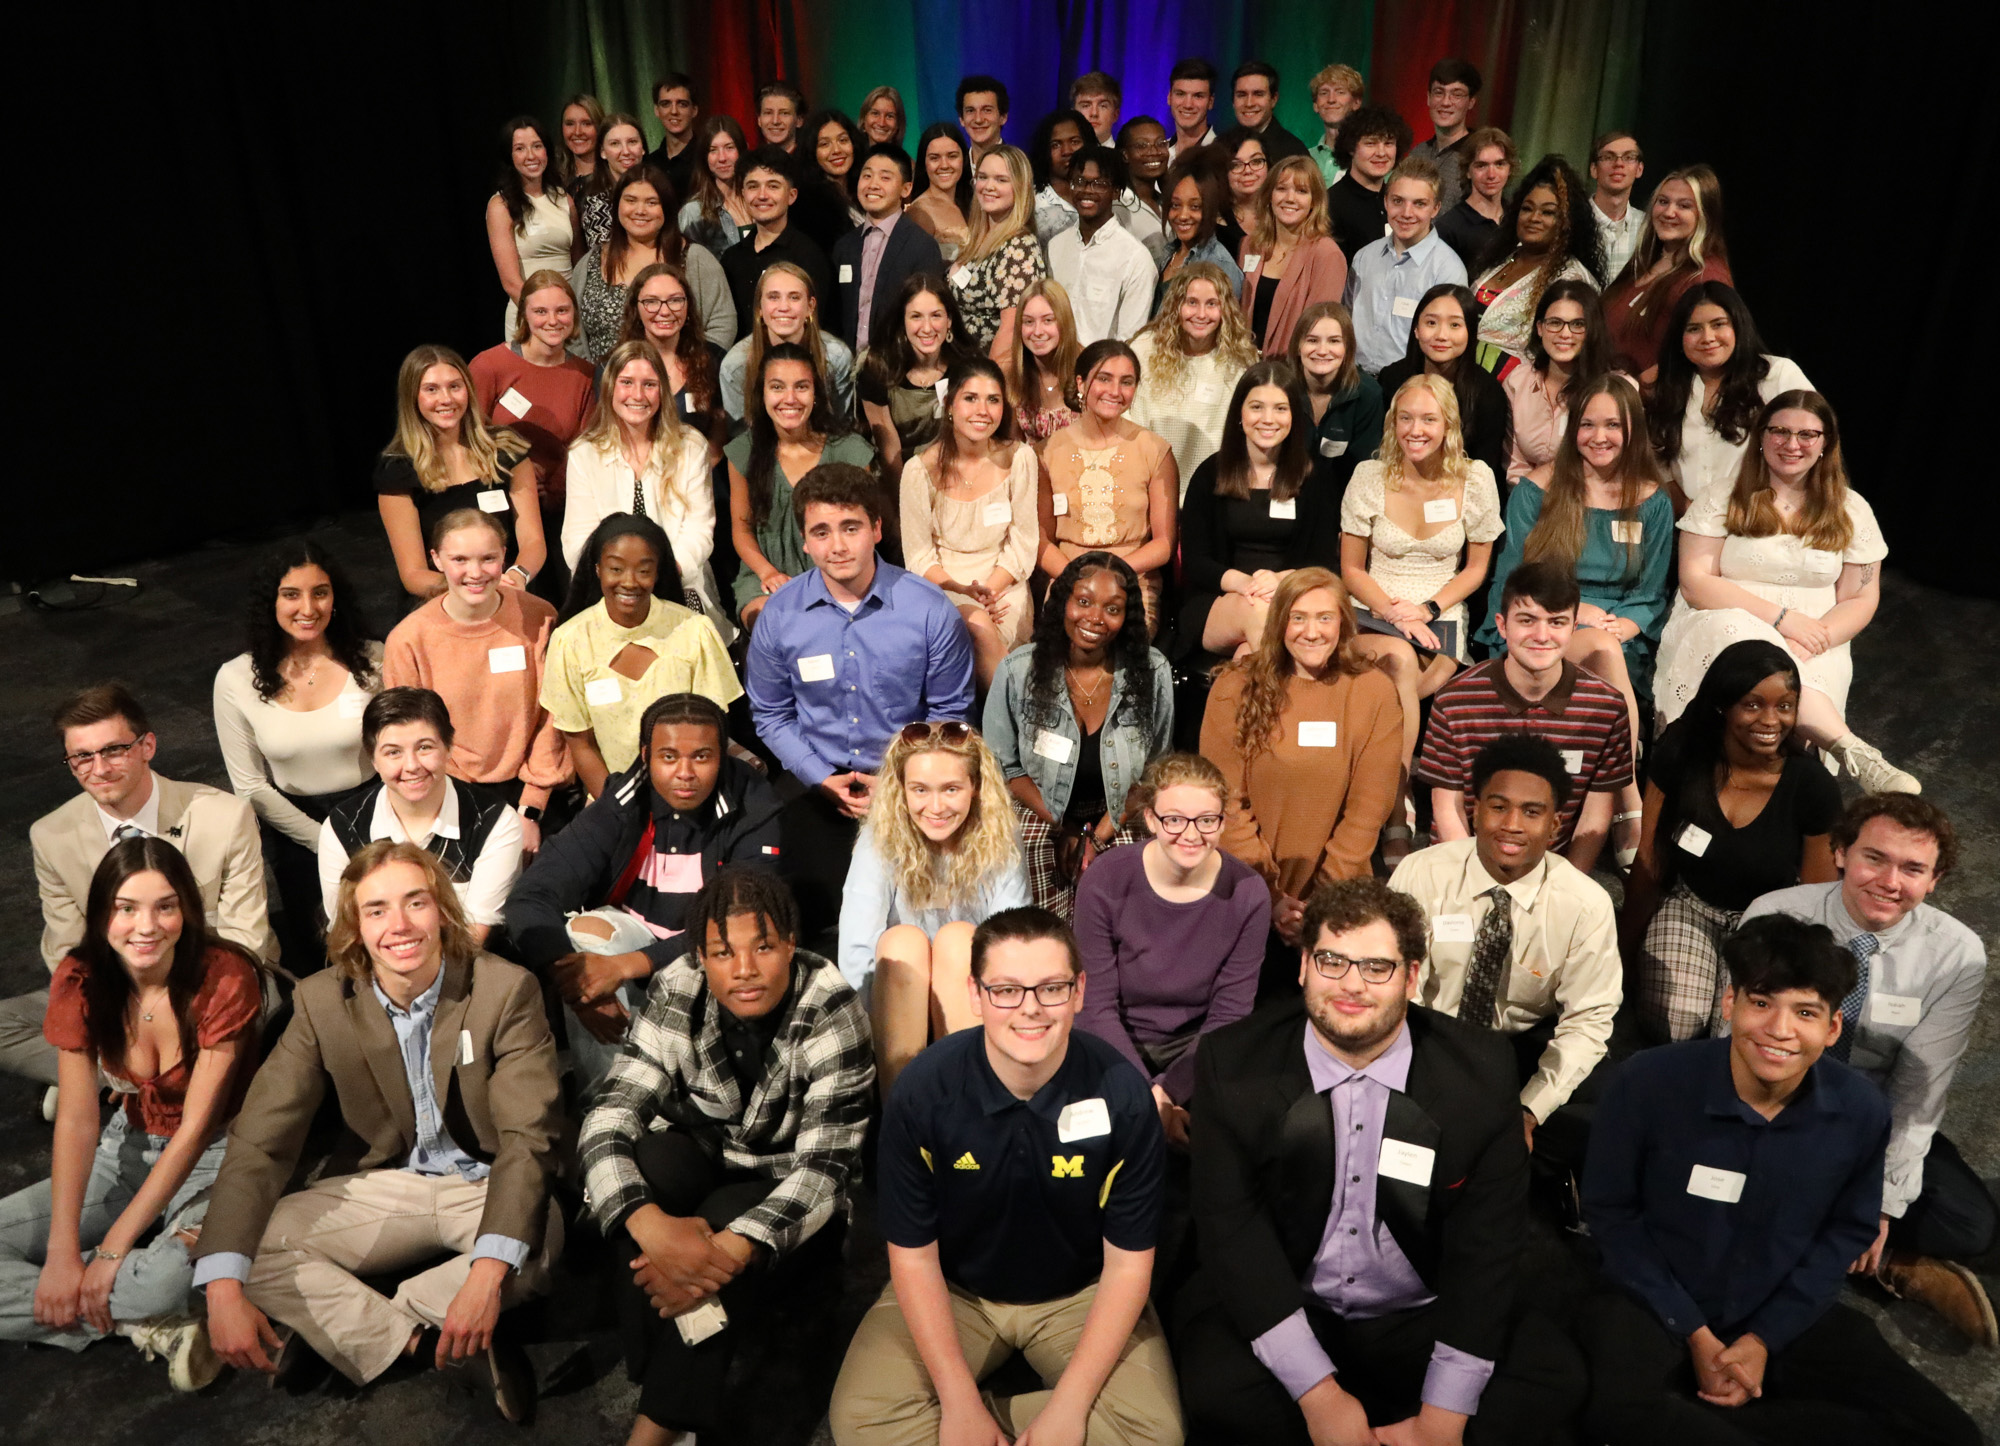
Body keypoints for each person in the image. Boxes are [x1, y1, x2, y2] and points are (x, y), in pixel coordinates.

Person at [1175, 876, 1587, 1445]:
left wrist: (1440, 1422)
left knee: (1551, 1381)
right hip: (1294, 1301)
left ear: (1412, 977)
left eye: (1376, 967)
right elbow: (1232, 1233)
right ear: (1302, 967)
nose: (1351, 985)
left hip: (1422, 1310)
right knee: (1214, 1390)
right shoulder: (1231, 1062)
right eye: (1332, 962)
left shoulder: (1481, 1069)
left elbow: (1487, 1247)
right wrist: (1319, 1398)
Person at [1578, 914, 1980, 1446]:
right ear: (1730, 1003)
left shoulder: (1859, 1111)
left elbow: (1845, 1232)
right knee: (1609, 1410)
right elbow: (1612, 1215)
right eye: (1761, 1003)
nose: (1780, 1030)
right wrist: (1693, 1331)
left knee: (1950, 1432)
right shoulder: (1647, 1082)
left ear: (1833, 1027)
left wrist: (1762, 1340)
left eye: (1806, 1012)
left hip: (1779, 1311)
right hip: (1654, 1302)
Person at [193, 843, 564, 1419]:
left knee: (532, 1245)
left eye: (416, 902)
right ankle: (420, 1341)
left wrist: (487, 1274)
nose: (399, 925)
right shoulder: (320, 1002)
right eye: (376, 910)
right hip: (393, 1181)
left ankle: (351, 1327)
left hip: (486, 1182)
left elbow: (528, 1138)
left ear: (441, 910)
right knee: (244, 1247)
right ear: (355, 929)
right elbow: (261, 1140)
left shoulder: (506, 989)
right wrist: (220, 1287)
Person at [827, 907, 1181, 1446]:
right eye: (1007, 990)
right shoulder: (924, 1091)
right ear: (975, 995)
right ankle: (982, 1422)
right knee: (860, 1419)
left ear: (1080, 991)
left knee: (1155, 1433)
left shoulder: (1123, 1094)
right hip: (955, 1289)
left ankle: (1018, 1424)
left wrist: (1068, 1409)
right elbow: (913, 1256)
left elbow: (1129, 1268)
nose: (1031, 1010)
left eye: (1052, 988)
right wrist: (959, 1404)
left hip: (1079, 1294)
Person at [580, 867, 871, 1446]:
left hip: (785, 1183)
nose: (743, 969)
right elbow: (608, 1115)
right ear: (700, 955)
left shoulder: (831, 1004)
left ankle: (654, 1429)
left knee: (713, 1240)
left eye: (762, 947)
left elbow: (824, 1171)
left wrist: (721, 1253)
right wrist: (653, 1228)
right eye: (722, 952)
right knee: (643, 1170)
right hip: (705, 1152)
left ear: (791, 944)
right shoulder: (679, 985)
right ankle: (657, 1360)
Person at [0, 839, 262, 1387]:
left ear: (187, 910)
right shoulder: (79, 978)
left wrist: (111, 1250)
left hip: (217, 1153)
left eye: (165, 906)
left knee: (164, 1279)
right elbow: (77, 1119)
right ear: (102, 915)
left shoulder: (225, 977)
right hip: (129, 1141)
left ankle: (131, 1300)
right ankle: (142, 1328)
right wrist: (63, 1253)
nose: (146, 926)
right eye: (126, 908)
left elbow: (194, 1130)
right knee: (91, 1267)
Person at [1743, 795, 1997, 1346]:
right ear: (1839, 853)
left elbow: (1920, 1089)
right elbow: (1739, 1048)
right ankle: (1876, 1259)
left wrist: (1880, 1201)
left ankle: (1875, 1249)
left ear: (1936, 879)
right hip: (1776, 1096)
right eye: (1873, 858)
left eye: (1913, 869)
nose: (1889, 882)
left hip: (1869, 1112)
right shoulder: (1775, 914)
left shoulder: (1958, 955)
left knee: (1970, 1224)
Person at [1, 687, 275, 1098]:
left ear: (147, 746)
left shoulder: (223, 816)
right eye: (82, 757)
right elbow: (69, 951)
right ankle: (126, 1078)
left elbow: (244, 939)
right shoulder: (51, 835)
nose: (99, 768)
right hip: (118, 989)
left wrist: (163, 1019)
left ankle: (105, 1079)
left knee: (255, 1018)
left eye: (114, 750)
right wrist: (119, 1027)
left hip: (213, 983)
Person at [507, 694, 786, 1089]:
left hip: (717, 956)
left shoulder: (754, 805)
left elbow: (743, 924)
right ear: (646, 756)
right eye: (669, 757)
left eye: (702, 757)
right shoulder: (621, 802)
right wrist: (577, 983)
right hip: (637, 942)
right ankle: (610, 1101)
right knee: (588, 932)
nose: (684, 772)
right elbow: (530, 896)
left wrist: (623, 967)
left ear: (721, 757)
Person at [744, 463, 974, 931]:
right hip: (816, 785)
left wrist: (897, 782)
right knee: (794, 915)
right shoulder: (780, 616)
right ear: (805, 540)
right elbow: (770, 714)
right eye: (821, 532)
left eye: (850, 528)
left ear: (876, 529)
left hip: (911, 785)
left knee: (917, 925)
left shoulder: (929, 610)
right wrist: (820, 777)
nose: (837, 546)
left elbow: (950, 715)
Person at [1655, 390, 1914, 792]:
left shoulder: (1852, 508)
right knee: (1740, 643)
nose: (1792, 444)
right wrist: (1781, 621)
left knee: (1781, 675)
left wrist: (1818, 637)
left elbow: (1861, 597)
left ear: (1826, 442)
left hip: (1816, 639)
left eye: (1807, 435)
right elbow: (1696, 582)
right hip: (1720, 619)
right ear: (1761, 436)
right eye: (1780, 431)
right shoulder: (1723, 495)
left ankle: (1787, 800)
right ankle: (1851, 749)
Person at [1389, 736, 1621, 1172]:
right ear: (1476, 812)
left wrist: (1530, 1110)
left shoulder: (1586, 904)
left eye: (1532, 812)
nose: (1511, 824)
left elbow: (1588, 1021)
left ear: (1555, 825)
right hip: (1431, 1032)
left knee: (1603, 1105)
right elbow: (1398, 987)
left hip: (1519, 1041)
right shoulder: (1422, 872)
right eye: (1498, 806)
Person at [1623, 641, 1841, 1043]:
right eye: (1753, 705)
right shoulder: (1681, 754)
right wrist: (1624, 954)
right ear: (1723, 706)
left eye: (1785, 706)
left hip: (1768, 921)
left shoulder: (1812, 786)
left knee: (1735, 1032)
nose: (1771, 720)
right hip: (1692, 905)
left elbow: (1817, 896)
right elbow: (1649, 859)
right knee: (1674, 1020)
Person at [1481, 375, 1675, 804]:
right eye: (1588, 424)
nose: (1599, 437)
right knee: (1602, 652)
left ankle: (1594, 793)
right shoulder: (1537, 489)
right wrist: (1578, 612)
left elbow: (1652, 591)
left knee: (1611, 652)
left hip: (1619, 628)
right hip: (1541, 617)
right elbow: (1513, 576)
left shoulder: (1652, 502)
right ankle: (1627, 801)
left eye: (1613, 426)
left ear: (1632, 431)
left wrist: (1622, 627)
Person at [1075, 751, 1269, 1139]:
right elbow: (1095, 1006)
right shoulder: (1106, 879)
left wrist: (1170, 1090)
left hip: (1197, 1051)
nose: (1192, 834)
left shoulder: (1249, 893)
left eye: (1207, 820)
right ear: (1151, 818)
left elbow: (1229, 1014)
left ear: (1222, 821)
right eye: (1175, 819)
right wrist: (1148, 1097)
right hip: (1112, 1041)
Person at [1201, 567, 1402, 931]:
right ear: (1278, 621)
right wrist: (1270, 895)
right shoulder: (1235, 685)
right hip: (1242, 894)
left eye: (1325, 618)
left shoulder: (1374, 692)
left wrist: (1323, 901)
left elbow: (1369, 808)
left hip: (1341, 904)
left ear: (1343, 622)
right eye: (1298, 618)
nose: (1312, 632)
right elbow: (1223, 800)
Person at [213, 542, 382, 970]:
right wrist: (324, 841)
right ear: (270, 602)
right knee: (324, 955)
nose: (308, 607)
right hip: (294, 830)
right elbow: (249, 785)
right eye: (291, 594)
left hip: (378, 815)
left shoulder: (375, 660)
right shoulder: (235, 679)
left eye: (320, 592)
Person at [983, 552, 1175, 917]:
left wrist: (1096, 836)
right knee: (1029, 879)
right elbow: (1004, 768)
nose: (1094, 618)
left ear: (1127, 617)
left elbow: (1155, 771)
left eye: (1112, 609)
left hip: (1120, 811)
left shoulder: (1152, 672)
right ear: (1063, 602)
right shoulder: (1017, 670)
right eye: (1083, 601)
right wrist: (1065, 826)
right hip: (1039, 809)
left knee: (1121, 897)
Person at [1339, 376, 1503, 800]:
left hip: (1439, 615)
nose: (1416, 430)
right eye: (1406, 418)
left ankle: (1366, 785)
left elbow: (1476, 568)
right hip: (1372, 608)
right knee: (1397, 661)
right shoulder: (1369, 476)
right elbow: (1352, 570)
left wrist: (1427, 609)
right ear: (1393, 423)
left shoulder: (1476, 479)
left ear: (1448, 425)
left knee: (1399, 683)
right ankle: (1397, 796)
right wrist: (1394, 612)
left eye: (1429, 419)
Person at [840, 722, 1029, 1090]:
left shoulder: (1000, 835)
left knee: (959, 940)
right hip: (894, 1003)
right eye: (920, 790)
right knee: (902, 942)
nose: (936, 806)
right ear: (901, 789)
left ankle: (969, 1112)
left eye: (951, 789)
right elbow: (857, 950)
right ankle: (903, 1118)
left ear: (975, 787)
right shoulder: (878, 838)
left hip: (976, 1002)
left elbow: (1012, 942)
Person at [1415, 561, 1635, 875]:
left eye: (1556, 622)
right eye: (1527, 620)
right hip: (1460, 865)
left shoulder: (1606, 708)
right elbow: (1448, 811)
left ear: (1574, 629)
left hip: (1551, 871)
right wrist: (1471, 883)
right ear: (1502, 626)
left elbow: (1594, 819)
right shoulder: (1455, 699)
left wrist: (1565, 887)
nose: (1541, 635)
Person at [381, 509, 572, 853]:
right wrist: (461, 803)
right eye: (459, 559)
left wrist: (531, 807)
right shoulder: (408, 640)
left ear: (504, 557)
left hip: (534, 795)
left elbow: (555, 716)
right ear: (436, 559)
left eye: (488, 559)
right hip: (448, 797)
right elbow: (411, 735)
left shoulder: (540, 617)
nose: (475, 572)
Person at [544, 512, 740, 799]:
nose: (630, 582)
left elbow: (710, 733)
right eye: (616, 569)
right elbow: (580, 744)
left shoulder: (695, 631)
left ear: (658, 573)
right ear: (598, 569)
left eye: (644, 570)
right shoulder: (569, 641)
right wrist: (618, 810)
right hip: (609, 802)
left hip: (690, 797)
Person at [317, 688, 522, 946]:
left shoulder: (494, 821)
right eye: (393, 752)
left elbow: (473, 936)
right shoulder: (343, 827)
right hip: (376, 972)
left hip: (470, 969)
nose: (412, 765)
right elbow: (348, 932)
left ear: (448, 748)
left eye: (424, 747)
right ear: (374, 759)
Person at [563, 337, 731, 635]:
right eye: (627, 382)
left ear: (662, 391)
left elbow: (699, 530)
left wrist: (664, 574)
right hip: (607, 588)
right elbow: (578, 539)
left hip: (678, 580)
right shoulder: (584, 452)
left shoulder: (690, 446)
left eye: (649, 384)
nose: (637, 395)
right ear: (610, 387)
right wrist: (615, 579)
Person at [1181, 362, 1342, 658]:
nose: (1268, 419)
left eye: (1280, 409)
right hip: (1219, 599)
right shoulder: (1209, 474)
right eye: (1257, 407)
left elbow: (1325, 562)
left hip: (1293, 597)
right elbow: (1196, 561)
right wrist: (1246, 583)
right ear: (1239, 414)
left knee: (1247, 658)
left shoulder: (1316, 478)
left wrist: (1281, 581)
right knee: (1259, 611)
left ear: (1294, 416)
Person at [900, 358, 1040, 688]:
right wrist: (966, 593)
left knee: (987, 633)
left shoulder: (1020, 458)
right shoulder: (918, 470)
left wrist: (989, 589)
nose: (983, 410)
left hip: (1004, 583)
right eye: (970, 398)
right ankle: (1015, 720)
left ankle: (994, 726)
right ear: (949, 404)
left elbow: (1023, 543)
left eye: (993, 400)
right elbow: (919, 558)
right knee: (976, 626)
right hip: (943, 585)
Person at [375, 344, 547, 601]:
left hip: (510, 593)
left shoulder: (507, 450)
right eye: (431, 389)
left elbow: (533, 541)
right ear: (413, 396)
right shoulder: (398, 471)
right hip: (443, 604)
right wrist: (478, 589)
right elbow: (413, 574)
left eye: (455, 386)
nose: (446, 399)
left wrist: (517, 576)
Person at [727, 343, 878, 631]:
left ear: (816, 394)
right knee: (773, 625)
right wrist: (768, 573)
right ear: (762, 393)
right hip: (767, 575)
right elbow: (742, 529)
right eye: (777, 387)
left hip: (841, 574)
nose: (790, 398)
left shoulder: (850, 451)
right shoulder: (743, 451)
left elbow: (864, 529)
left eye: (801, 387)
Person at [1036, 339, 1178, 634]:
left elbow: (1164, 544)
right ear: (1081, 382)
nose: (1115, 391)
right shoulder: (1047, 451)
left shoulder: (1154, 450)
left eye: (1126, 382)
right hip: (1069, 578)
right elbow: (1041, 541)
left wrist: (1114, 574)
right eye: (1104, 379)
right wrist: (1077, 578)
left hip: (1133, 580)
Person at [1647, 281, 1812, 501]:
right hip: (1690, 526)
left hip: (1765, 520)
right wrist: (1693, 516)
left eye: (1718, 324)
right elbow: (1659, 464)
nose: (1707, 338)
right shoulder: (1668, 388)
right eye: (1693, 329)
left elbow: (1813, 442)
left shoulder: (1777, 375)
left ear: (1738, 326)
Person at [469, 271, 597, 542]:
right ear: (524, 315)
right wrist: (518, 476)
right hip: (495, 505)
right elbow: (468, 437)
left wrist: (553, 491)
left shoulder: (584, 374)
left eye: (562, 310)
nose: (552, 321)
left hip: (559, 510)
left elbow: (585, 446)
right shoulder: (489, 366)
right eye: (541, 311)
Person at [570, 164, 735, 362]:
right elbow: (572, 327)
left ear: (666, 208)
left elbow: (722, 322)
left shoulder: (696, 259)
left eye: (651, 202)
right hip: (603, 385)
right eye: (630, 200)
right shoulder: (590, 263)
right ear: (617, 206)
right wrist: (590, 374)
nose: (640, 210)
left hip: (679, 385)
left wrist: (691, 371)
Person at [1129, 261, 1257, 495]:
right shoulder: (1145, 349)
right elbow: (1128, 417)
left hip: (1209, 490)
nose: (1201, 314)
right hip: (1145, 484)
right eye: (1192, 303)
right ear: (1176, 305)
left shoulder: (1239, 361)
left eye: (1211, 304)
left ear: (1225, 309)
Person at [1469, 155, 1604, 372]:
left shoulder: (1572, 279)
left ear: (1567, 222)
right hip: (1470, 384)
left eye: (1548, 212)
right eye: (1527, 208)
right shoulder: (1501, 258)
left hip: (1522, 394)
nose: (1534, 218)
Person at [1600, 163, 1731, 384]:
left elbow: (1700, 356)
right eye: (1663, 202)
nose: (1669, 212)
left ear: (1705, 215)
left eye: (1684, 206)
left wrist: (1636, 392)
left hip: (1644, 409)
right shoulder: (1645, 261)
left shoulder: (1705, 278)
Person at [1344, 152, 1468, 374]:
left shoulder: (1448, 270)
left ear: (1436, 208)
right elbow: (1345, 318)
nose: (1406, 213)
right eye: (1398, 201)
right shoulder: (1364, 257)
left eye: (1419, 204)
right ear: (1385, 201)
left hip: (1411, 384)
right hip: (1355, 380)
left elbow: (1447, 347)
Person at [1374, 282, 1512, 482]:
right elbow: (1383, 450)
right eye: (1431, 323)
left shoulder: (1488, 394)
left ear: (1470, 332)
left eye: (1455, 325)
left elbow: (1485, 469)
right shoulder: (1392, 379)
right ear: (1416, 329)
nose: (1441, 335)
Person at [859, 273, 975, 488]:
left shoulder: (968, 365)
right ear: (902, 321)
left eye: (936, 316)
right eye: (916, 316)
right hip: (897, 479)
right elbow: (889, 450)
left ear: (949, 320)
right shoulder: (877, 368)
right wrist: (907, 503)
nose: (927, 327)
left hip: (955, 476)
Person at [832, 143, 945, 354]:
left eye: (885, 178)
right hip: (848, 371)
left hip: (898, 368)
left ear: (906, 189)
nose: (873, 184)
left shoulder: (922, 246)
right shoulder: (844, 246)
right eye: (867, 176)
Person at [719, 258, 856, 424]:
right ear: (759, 308)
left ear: (810, 306)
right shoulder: (736, 366)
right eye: (773, 297)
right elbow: (741, 436)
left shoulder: (836, 357)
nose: (784, 307)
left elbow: (841, 426)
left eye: (794, 297)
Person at [1500, 278, 1615, 475]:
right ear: (1540, 328)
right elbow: (1514, 465)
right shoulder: (1518, 382)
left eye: (1578, 324)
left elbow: (1612, 468)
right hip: (1528, 497)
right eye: (1555, 323)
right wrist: (1530, 499)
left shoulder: (1615, 390)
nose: (1565, 333)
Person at [1238, 155, 1348, 356]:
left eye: (1301, 191)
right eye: (1281, 189)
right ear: (1269, 195)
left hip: (1292, 373)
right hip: (1243, 366)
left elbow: (1318, 331)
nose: (1290, 198)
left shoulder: (1327, 255)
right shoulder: (1250, 245)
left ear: (1315, 201)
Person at [613, 262, 728, 453]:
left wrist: (692, 473)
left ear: (688, 305)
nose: (664, 311)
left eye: (675, 300)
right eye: (651, 301)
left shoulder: (714, 359)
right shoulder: (615, 365)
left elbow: (722, 434)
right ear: (636, 308)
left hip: (704, 473)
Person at [719, 148, 834, 338]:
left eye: (773, 186)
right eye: (753, 186)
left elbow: (816, 329)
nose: (762, 195)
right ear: (742, 194)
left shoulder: (809, 256)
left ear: (792, 195)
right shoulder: (732, 258)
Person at [1047, 146, 1157, 344]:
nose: (1086, 191)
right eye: (1080, 182)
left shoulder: (1135, 258)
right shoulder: (1055, 246)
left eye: (1099, 184)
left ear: (1116, 192)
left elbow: (1130, 340)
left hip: (1102, 370)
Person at [484, 116, 578, 342]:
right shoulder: (501, 205)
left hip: (569, 317)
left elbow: (579, 262)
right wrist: (543, 318)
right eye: (520, 148)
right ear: (510, 156)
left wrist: (567, 314)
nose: (531, 156)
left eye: (537, 146)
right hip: (529, 319)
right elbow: (510, 282)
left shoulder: (564, 199)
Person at [950, 144, 1047, 358]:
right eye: (983, 177)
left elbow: (1011, 329)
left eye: (1001, 180)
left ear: (1020, 188)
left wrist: (990, 385)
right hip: (962, 367)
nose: (988, 186)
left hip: (987, 373)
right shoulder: (979, 239)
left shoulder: (1018, 248)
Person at [1288, 300, 1385, 511]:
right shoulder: (1281, 389)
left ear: (1347, 347)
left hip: (1343, 506)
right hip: (1285, 500)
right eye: (1312, 340)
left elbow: (1365, 471)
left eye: (1333, 341)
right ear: (1298, 345)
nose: (1322, 350)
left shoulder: (1368, 395)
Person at [1326, 104, 1410, 262]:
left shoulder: (1400, 202)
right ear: (1351, 147)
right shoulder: (1331, 205)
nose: (1381, 153)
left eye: (1388, 143)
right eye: (1370, 144)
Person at [1005, 278, 1080, 451]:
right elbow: (1010, 446)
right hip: (1031, 471)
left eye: (1048, 320)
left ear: (1064, 322)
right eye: (1029, 322)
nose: (1037, 332)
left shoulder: (1087, 368)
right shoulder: (1012, 372)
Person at [1158, 148, 1245, 295]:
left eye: (1195, 206)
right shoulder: (1169, 254)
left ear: (1210, 208)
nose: (1183, 215)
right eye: (1175, 205)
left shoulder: (1220, 266)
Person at [1436, 125, 1514, 272]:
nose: (1491, 174)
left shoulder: (1518, 217)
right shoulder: (1449, 227)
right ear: (1467, 171)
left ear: (1509, 169)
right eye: (1481, 166)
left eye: (1499, 164)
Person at [1409, 58, 1482, 212]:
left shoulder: (1478, 157)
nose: (1446, 102)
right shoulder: (1418, 153)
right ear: (1428, 98)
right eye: (1439, 92)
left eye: (1457, 94)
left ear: (1471, 102)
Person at [678, 115, 754, 255]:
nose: (722, 158)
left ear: (742, 150)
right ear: (704, 157)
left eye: (729, 148)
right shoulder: (693, 212)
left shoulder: (758, 199)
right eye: (713, 150)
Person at [577, 111, 648, 252]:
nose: (626, 151)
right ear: (603, 152)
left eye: (632, 142)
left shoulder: (659, 191)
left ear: (643, 148)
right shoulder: (596, 203)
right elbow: (604, 257)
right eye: (615, 144)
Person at [799, 108, 865, 253]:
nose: (836, 150)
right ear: (812, 152)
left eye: (843, 140)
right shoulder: (807, 206)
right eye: (824, 144)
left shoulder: (865, 190)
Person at [906, 122, 973, 262]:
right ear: (924, 163)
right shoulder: (919, 212)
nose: (944, 165)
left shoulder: (974, 203)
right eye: (934, 158)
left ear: (965, 159)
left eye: (952, 156)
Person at [1587, 131, 1646, 289]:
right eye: (1608, 157)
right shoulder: (1571, 220)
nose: (1619, 164)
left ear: (1639, 169)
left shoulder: (1648, 227)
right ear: (1594, 169)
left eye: (1628, 157)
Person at [1113, 115, 1172, 267]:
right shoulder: (1118, 208)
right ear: (1125, 155)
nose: (1154, 151)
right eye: (1142, 146)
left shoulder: (1170, 201)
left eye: (1160, 143)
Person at [1030, 108, 1090, 247]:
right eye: (1056, 145)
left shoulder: (1105, 194)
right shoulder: (1032, 202)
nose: (1067, 151)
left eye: (1075, 142)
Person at [1229, 59, 1307, 160]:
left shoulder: (1294, 153)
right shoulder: (1220, 147)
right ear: (1233, 101)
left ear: (1274, 99)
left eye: (1258, 94)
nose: (1249, 103)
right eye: (1241, 95)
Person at [1213, 127, 1268, 263]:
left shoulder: (1285, 215)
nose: (1248, 170)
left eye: (1256, 161)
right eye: (1236, 165)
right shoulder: (1213, 226)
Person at [1306, 63, 1365, 187]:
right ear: (1315, 105)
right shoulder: (1305, 157)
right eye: (1324, 93)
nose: (1331, 99)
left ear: (1356, 102)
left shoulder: (1370, 156)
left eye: (1340, 92)